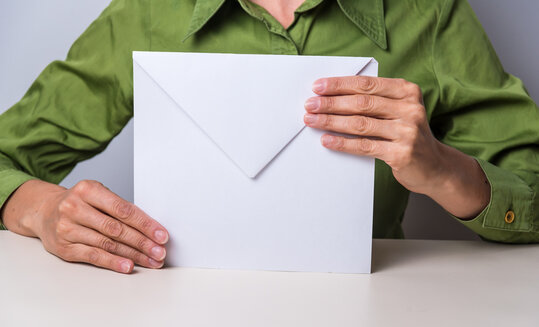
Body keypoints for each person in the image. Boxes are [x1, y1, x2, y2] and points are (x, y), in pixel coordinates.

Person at [0, 0, 538, 274]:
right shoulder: (149, 10)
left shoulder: (430, 13)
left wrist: (444, 170)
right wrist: (44, 210)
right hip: (166, 320)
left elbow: (532, 193)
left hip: (371, 325)